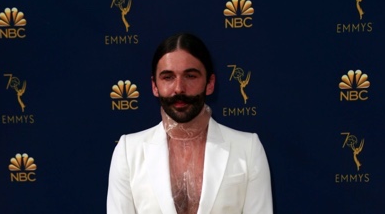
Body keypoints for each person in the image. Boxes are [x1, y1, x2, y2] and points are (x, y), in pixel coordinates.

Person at [107, 33, 273, 214]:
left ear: (210, 83)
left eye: (191, 76)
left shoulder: (247, 149)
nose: (179, 88)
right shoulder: (128, 152)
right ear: (155, 86)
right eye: (168, 77)